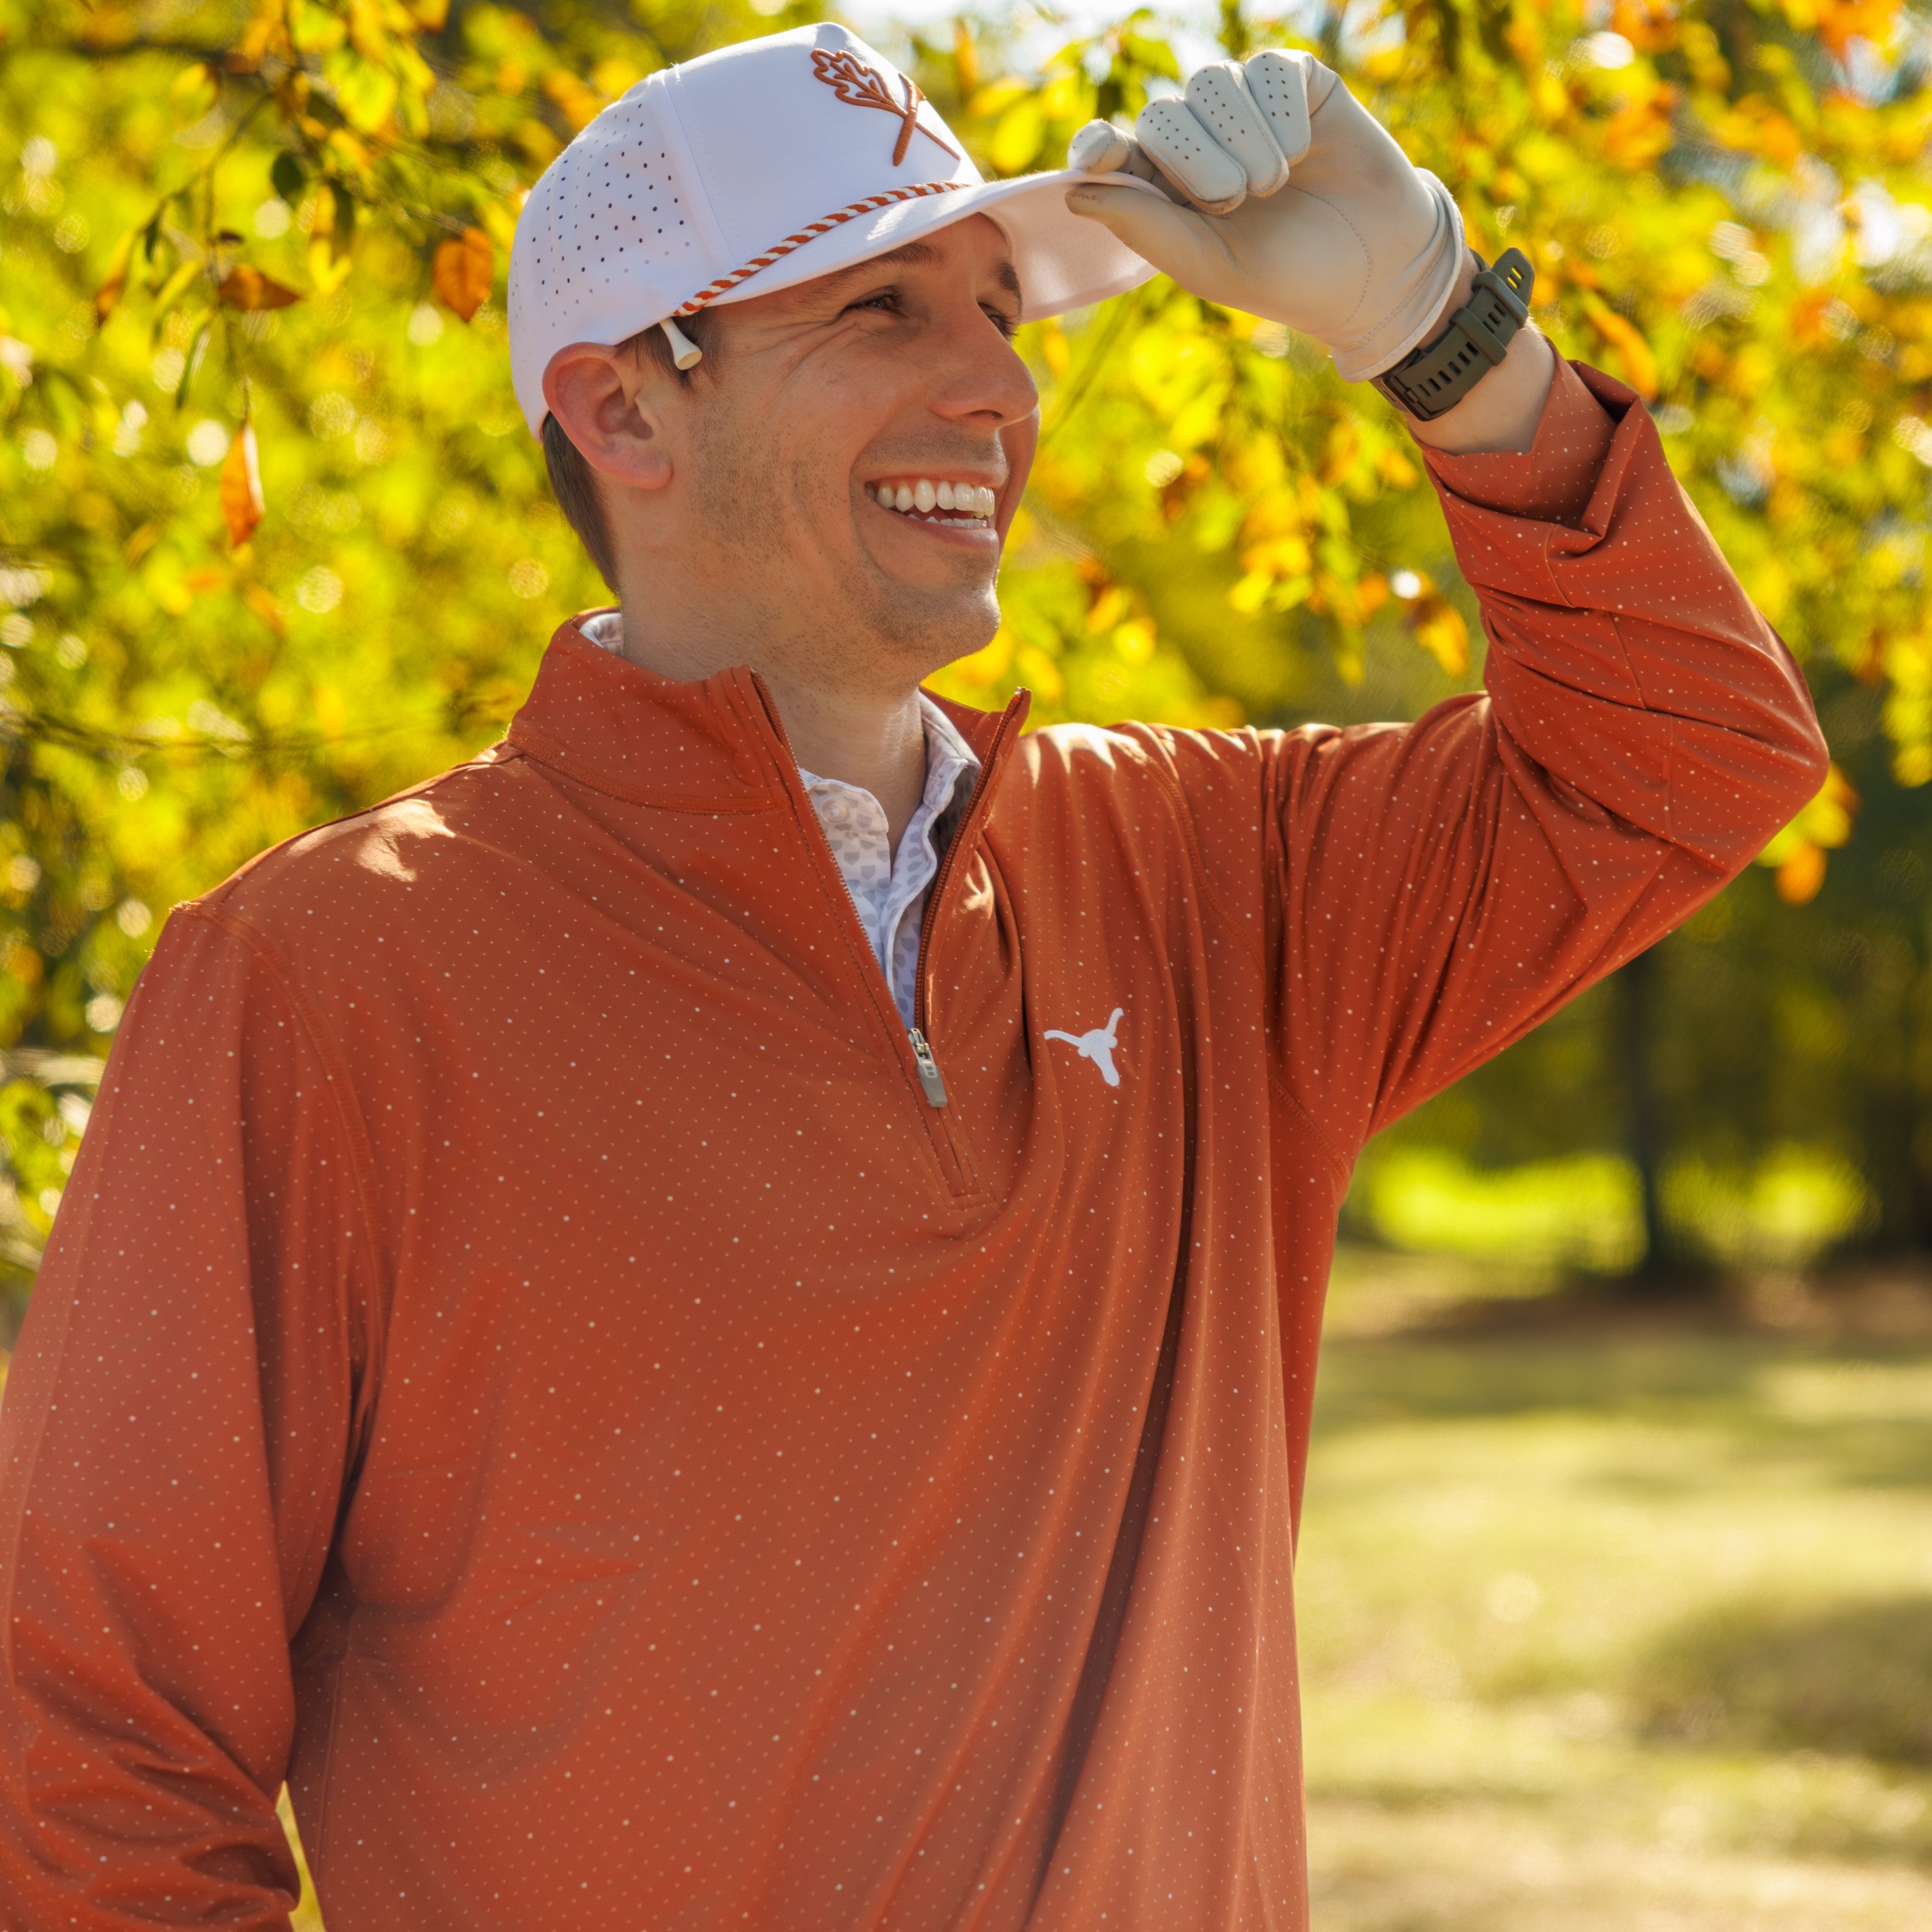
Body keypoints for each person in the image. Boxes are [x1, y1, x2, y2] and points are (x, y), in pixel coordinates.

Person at [0, 23, 1824, 1931]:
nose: (997, 390)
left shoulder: (1212, 884)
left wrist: (1446, 330)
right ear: (627, 413)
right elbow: (96, 1764)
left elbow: (1684, 760)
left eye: (1005, 311)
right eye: (882, 311)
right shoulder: (316, 982)